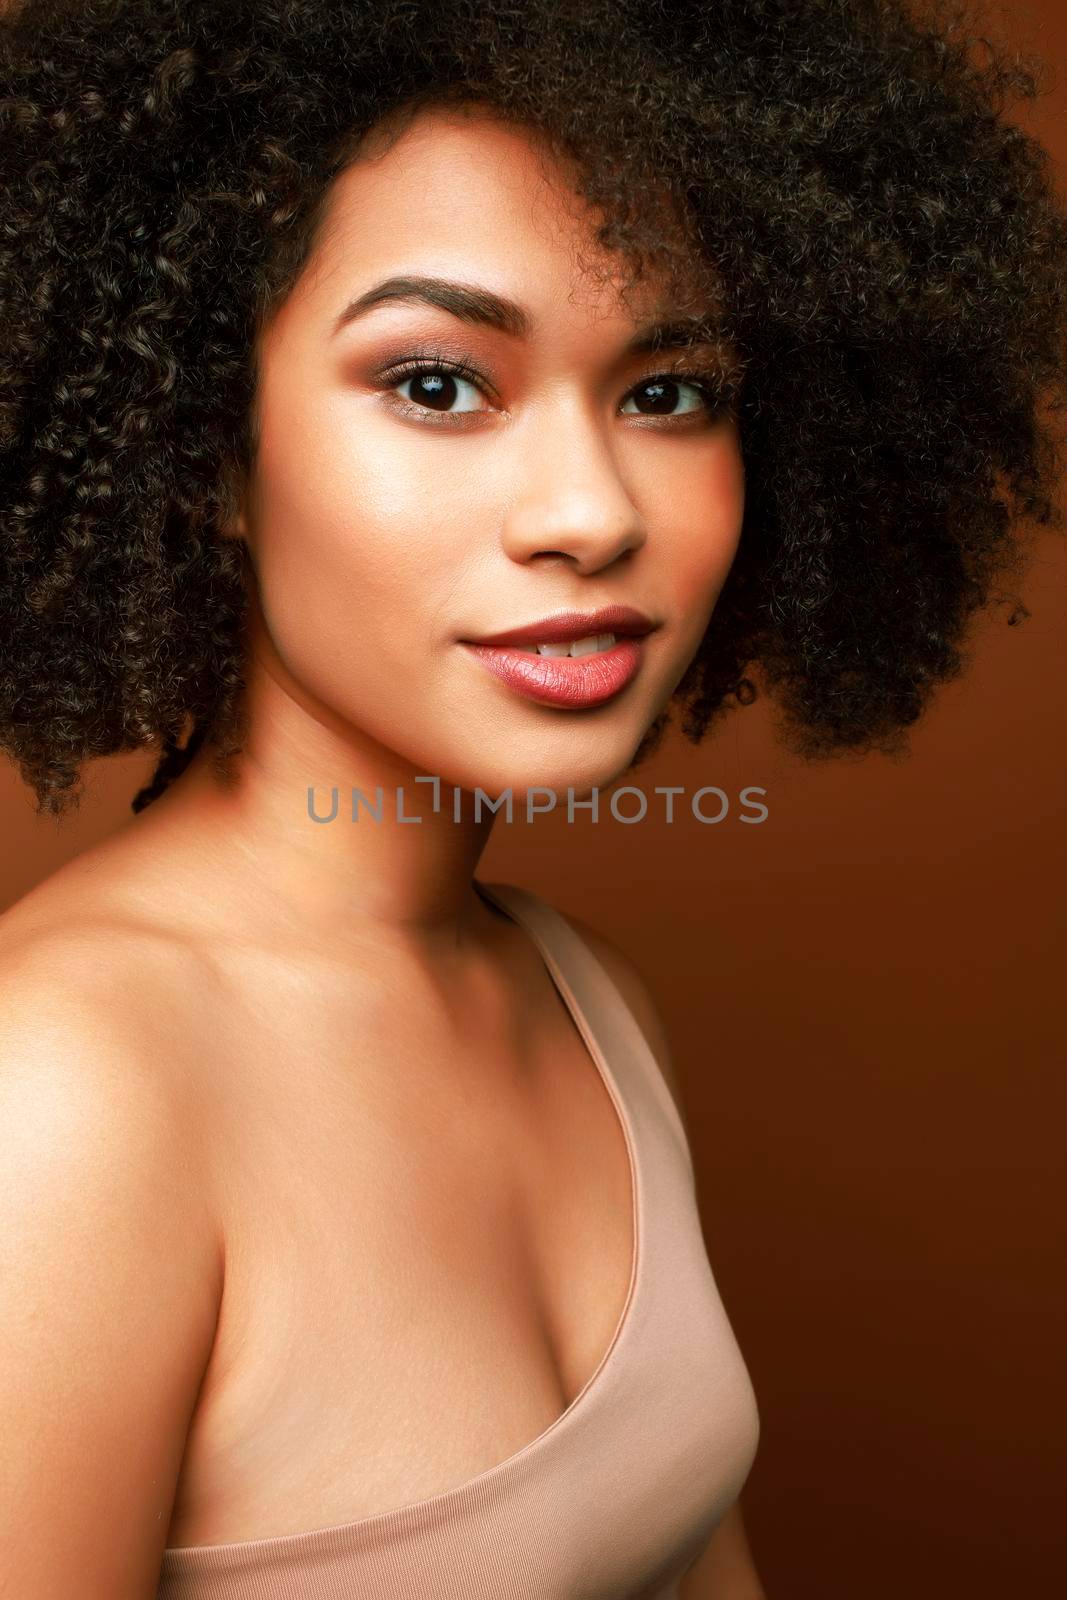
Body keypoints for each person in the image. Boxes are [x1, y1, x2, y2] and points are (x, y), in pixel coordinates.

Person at [1, 1, 1064, 1596]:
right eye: (437, 385)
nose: (589, 512)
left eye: (667, 393)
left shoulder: (589, 1004)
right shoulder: (65, 1094)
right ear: (205, 453)